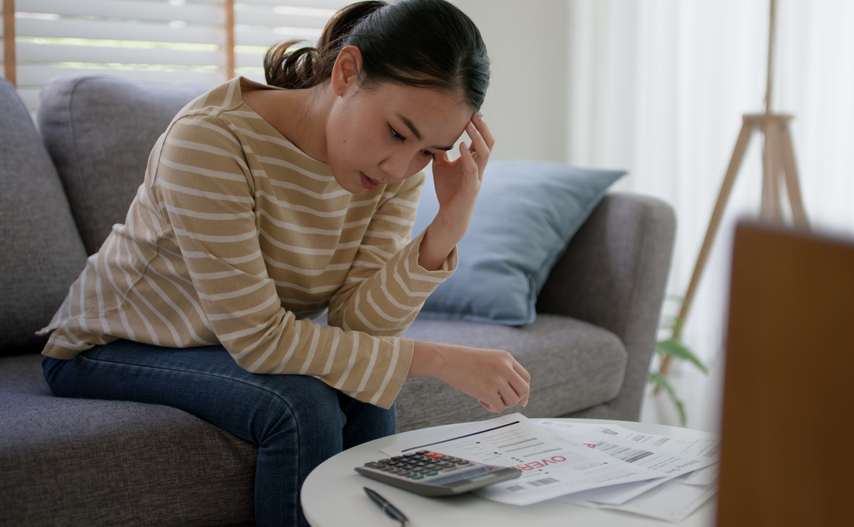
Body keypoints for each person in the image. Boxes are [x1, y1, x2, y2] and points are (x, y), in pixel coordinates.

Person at [33, 0, 531, 524]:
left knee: (367, 394)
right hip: (109, 344)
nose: (400, 166)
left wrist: (447, 225)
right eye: (397, 133)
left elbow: (360, 325)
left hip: (218, 343)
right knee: (301, 404)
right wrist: (441, 359)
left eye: (429, 152)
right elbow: (259, 338)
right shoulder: (213, 139)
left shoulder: (391, 170)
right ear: (346, 72)